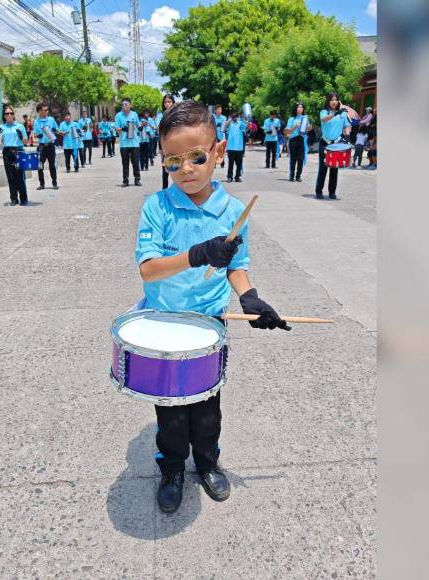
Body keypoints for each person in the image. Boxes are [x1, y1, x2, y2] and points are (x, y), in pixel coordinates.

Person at [136, 100, 290, 514]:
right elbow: (148, 269)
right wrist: (196, 254)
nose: (185, 169)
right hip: (165, 325)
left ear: (218, 152)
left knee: (206, 411)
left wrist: (250, 297)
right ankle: (171, 468)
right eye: (173, 161)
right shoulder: (156, 207)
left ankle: (207, 462)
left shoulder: (234, 212)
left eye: (197, 157)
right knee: (171, 414)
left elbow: (237, 266)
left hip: (209, 326)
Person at [315, 92, 353, 199]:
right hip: (325, 143)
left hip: (337, 143)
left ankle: (332, 192)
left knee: (334, 168)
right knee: (323, 168)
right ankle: (319, 191)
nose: (334, 102)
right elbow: (324, 119)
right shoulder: (324, 112)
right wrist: (336, 114)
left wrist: (347, 135)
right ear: (328, 101)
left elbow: (346, 126)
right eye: (332, 100)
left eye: (336, 99)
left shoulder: (343, 114)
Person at [0, 105, 29, 206]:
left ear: (14, 115)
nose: (9, 115)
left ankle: (23, 198)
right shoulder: (1, 127)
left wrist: (21, 136)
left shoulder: (20, 126)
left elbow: (26, 141)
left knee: (20, 176)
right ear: (4, 116)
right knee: (10, 177)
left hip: (18, 151)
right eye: (7, 113)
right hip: (7, 152)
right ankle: (14, 199)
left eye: (11, 113)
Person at [32, 102, 59, 191]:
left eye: (47, 110)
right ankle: (42, 184)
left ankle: (54, 183)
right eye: (45, 110)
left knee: (52, 165)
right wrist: (37, 135)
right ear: (40, 111)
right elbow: (35, 134)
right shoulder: (36, 122)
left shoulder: (51, 119)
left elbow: (57, 130)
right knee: (40, 165)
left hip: (50, 146)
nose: (47, 111)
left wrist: (57, 131)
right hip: (42, 146)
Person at [115, 97, 141, 187]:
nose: (124, 106)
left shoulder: (134, 114)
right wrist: (122, 129)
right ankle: (125, 181)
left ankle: (137, 179)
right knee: (125, 163)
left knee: (136, 162)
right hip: (124, 144)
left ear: (130, 105)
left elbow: (138, 125)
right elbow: (117, 129)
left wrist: (141, 126)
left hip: (134, 143)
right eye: (122, 104)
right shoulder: (118, 115)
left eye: (126, 104)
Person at [285, 102, 311, 182]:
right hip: (293, 139)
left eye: (301, 107)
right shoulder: (291, 119)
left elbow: (308, 129)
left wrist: (309, 127)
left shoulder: (305, 118)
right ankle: (291, 176)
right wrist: (295, 126)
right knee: (293, 159)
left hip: (301, 139)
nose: (300, 109)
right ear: (295, 109)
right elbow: (287, 132)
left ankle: (298, 176)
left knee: (301, 159)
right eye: (298, 107)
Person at [157, 93, 176, 189]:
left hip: (175, 143)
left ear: (173, 103)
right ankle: (164, 189)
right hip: (164, 143)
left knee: (176, 166)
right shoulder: (161, 115)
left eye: (169, 102)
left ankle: (177, 188)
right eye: (165, 102)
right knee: (165, 168)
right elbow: (158, 129)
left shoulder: (176, 114)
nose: (167, 104)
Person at [224, 111, 246, 183]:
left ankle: (237, 177)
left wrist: (248, 124)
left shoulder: (240, 123)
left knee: (239, 164)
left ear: (238, 117)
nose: (235, 118)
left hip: (239, 147)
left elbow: (246, 128)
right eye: (233, 116)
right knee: (231, 163)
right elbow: (225, 127)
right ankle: (229, 177)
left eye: (236, 116)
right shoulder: (229, 123)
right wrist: (230, 120)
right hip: (231, 147)